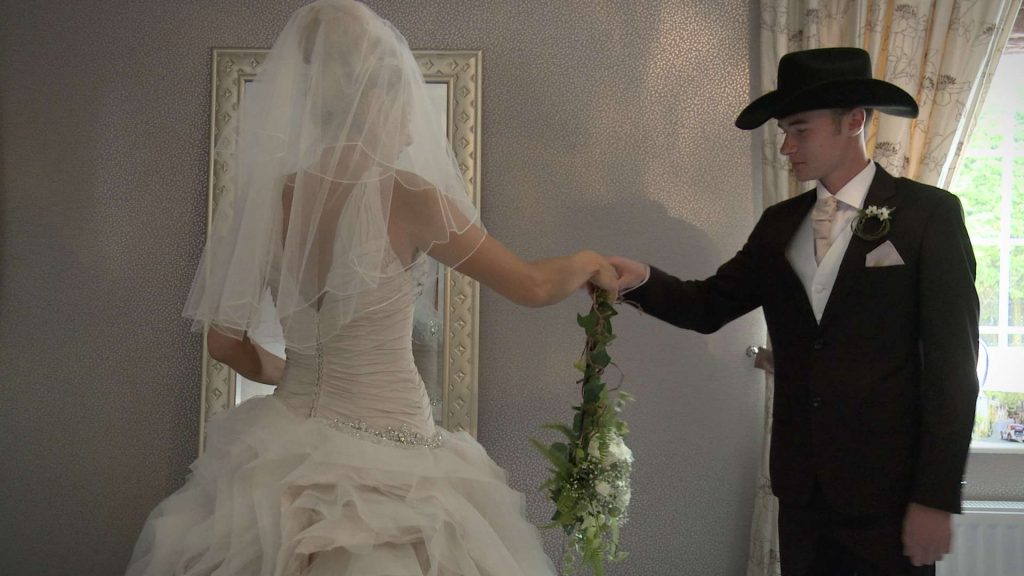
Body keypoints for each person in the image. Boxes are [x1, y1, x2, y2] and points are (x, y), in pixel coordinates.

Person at [125, 2, 617, 574]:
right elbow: (532, 286)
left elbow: (223, 343)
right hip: (392, 454)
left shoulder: (270, 201)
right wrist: (587, 260)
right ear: (375, 100)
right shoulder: (412, 198)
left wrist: (293, 375)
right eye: (404, 105)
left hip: (281, 444)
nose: (410, 127)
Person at [610, 47, 979, 575]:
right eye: (784, 131)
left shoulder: (928, 215)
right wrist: (639, 280)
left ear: (853, 121)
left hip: (890, 496)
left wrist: (935, 497)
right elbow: (709, 304)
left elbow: (953, 369)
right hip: (802, 491)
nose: (786, 146)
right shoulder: (779, 224)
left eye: (799, 129)